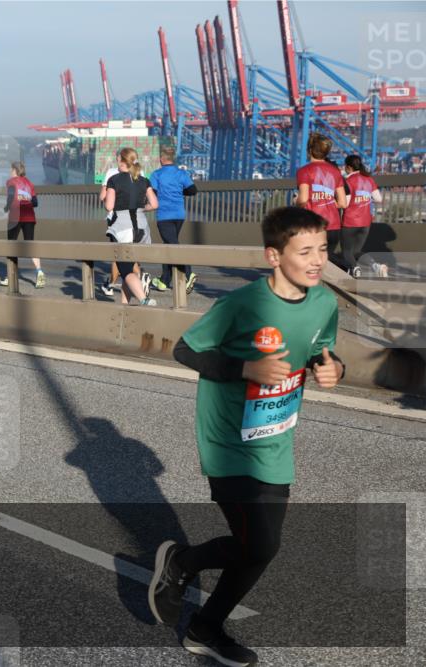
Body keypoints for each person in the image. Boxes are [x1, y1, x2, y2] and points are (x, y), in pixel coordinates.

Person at [149, 206, 344, 666]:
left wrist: (333, 369)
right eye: (305, 252)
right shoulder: (241, 305)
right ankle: (182, 565)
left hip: (275, 441)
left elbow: (321, 353)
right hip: (228, 442)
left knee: (259, 550)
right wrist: (244, 368)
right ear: (274, 256)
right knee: (259, 544)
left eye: (323, 249)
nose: (317, 261)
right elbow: (184, 349)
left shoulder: (324, 303)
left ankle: (203, 627)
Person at [103, 147, 158, 306]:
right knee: (130, 267)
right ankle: (124, 305)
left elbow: (109, 206)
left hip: (122, 228)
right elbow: (154, 204)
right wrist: (142, 208)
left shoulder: (114, 180)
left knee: (125, 270)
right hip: (141, 228)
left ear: (121, 160)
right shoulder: (143, 180)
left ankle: (143, 299)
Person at [149, 146, 198, 293]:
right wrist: (178, 191)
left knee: (173, 245)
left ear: (161, 159)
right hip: (179, 214)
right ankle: (164, 280)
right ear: (172, 159)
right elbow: (193, 190)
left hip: (164, 215)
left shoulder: (156, 174)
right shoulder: (181, 173)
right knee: (168, 245)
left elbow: (154, 192)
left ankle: (189, 273)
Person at [295, 133, 346, 266]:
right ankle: (348, 268)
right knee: (325, 261)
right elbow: (342, 202)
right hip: (334, 225)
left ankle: (348, 268)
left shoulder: (304, 171)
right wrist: (327, 201)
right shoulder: (335, 172)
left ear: (310, 150)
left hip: (313, 225)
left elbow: (303, 199)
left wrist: (296, 202)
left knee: (307, 260)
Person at [0, 161, 44, 288]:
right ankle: (39, 272)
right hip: (29, 216)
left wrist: (7, 207)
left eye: (11, 169)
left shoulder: (10, 181)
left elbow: (11, 196)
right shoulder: (29, 183)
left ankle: (10, 277)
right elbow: (35, 202)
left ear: (14, 170)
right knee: (30, 245)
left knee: (11, 245)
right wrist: (26, 200)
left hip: (15, 216)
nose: (10, 171)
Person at [341, 154, 383, 278]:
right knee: (356, 251)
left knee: (346, 251)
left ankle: (355, 269)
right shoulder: (369, 180)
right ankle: (376, 266)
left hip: (350, 222)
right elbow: (378, 198)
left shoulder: (348, 181)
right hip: (365, 222)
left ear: (348, 167)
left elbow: (345, 204)